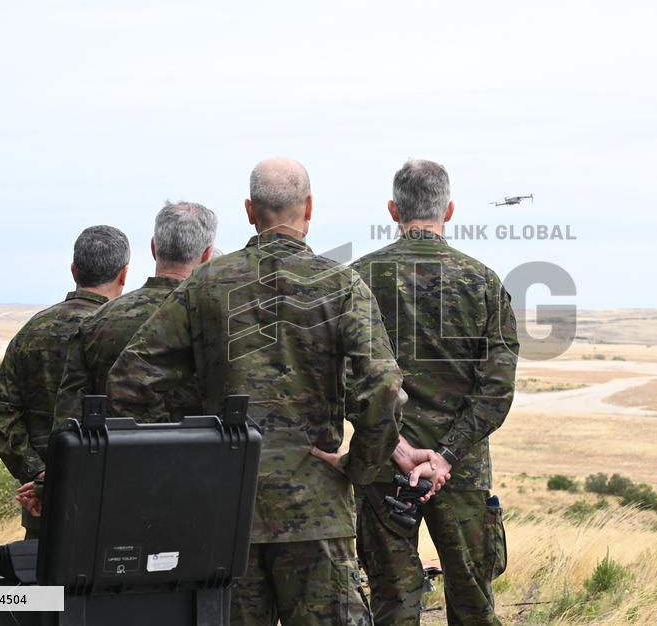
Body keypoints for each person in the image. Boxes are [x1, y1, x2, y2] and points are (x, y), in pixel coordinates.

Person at [107, 158, 420, 625]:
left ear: (250, 211)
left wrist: (189, 460)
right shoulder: (340, 285)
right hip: (316, 514)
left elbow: (130, 381)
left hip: (226, 515)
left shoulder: (207, 285)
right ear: (309, 207)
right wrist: (360, 466)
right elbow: (385, 391)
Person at [349, 160, 519, 625]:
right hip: (460, 473)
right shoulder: (483, 283)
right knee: (473, 605)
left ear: (392, 209)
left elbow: (342, 375)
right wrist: (445, 454)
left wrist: (397, 445)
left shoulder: (356, 279)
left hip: (386, 467)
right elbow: (497, 389)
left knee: (394, 603)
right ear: (449, 209)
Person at [0, 224, 130, 538]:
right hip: (112, 502)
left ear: (74, 270)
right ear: (124, 274)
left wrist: (40, 475)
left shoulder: (31, 332)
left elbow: (2, 414)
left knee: (42, 584)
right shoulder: (128, 335)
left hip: (44, 504)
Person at [52, 201, 217, 426]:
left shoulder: (98, 321)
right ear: (208, 254)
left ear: (153, 248)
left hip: (114, 458)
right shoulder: (220, 322)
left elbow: (69, 420)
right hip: (203, 458)